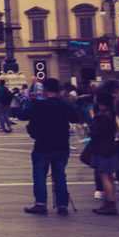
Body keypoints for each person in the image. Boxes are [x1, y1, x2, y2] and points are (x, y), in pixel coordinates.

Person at [22, 78, 76, 216]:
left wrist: (30, 105)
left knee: (40, 175)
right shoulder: (65, 105)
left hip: (43, 144)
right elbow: (76, 118)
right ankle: (62, 206)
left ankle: (40, 204)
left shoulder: (41, 105)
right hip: (62, 145)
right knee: (60, 175)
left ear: (45, 89)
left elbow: (22, 115)